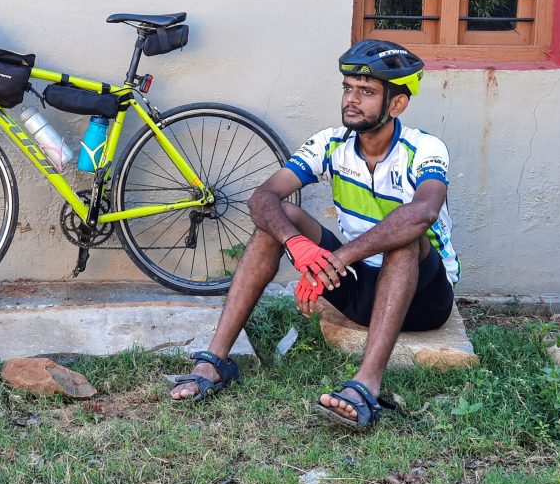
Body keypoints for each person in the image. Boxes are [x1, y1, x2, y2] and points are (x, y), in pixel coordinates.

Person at [169, 40, 460, 431]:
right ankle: (216, 362)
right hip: (359, 291)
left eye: (366, 92)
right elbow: (263, 198)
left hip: (423, 300)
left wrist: (338, 258)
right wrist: (299, 246)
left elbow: (422, 213)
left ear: (397, 105)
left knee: (406, 237)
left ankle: (365, 387)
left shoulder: (424, 148)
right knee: (278, 219)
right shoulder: (330, 142)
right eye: (347, 88)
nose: (351, 100)